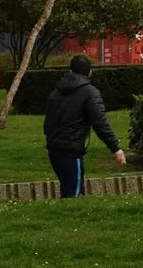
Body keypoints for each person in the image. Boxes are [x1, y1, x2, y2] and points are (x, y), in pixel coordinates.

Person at [43, 55, 126, 198]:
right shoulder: (90, 92)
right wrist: (115, 148)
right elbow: (100, 122)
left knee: (68, 188)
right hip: (71, 149)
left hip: (54, 148)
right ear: (90, 72)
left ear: (70, 70)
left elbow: (48, 123)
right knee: (74, 195)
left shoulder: (56, 92)